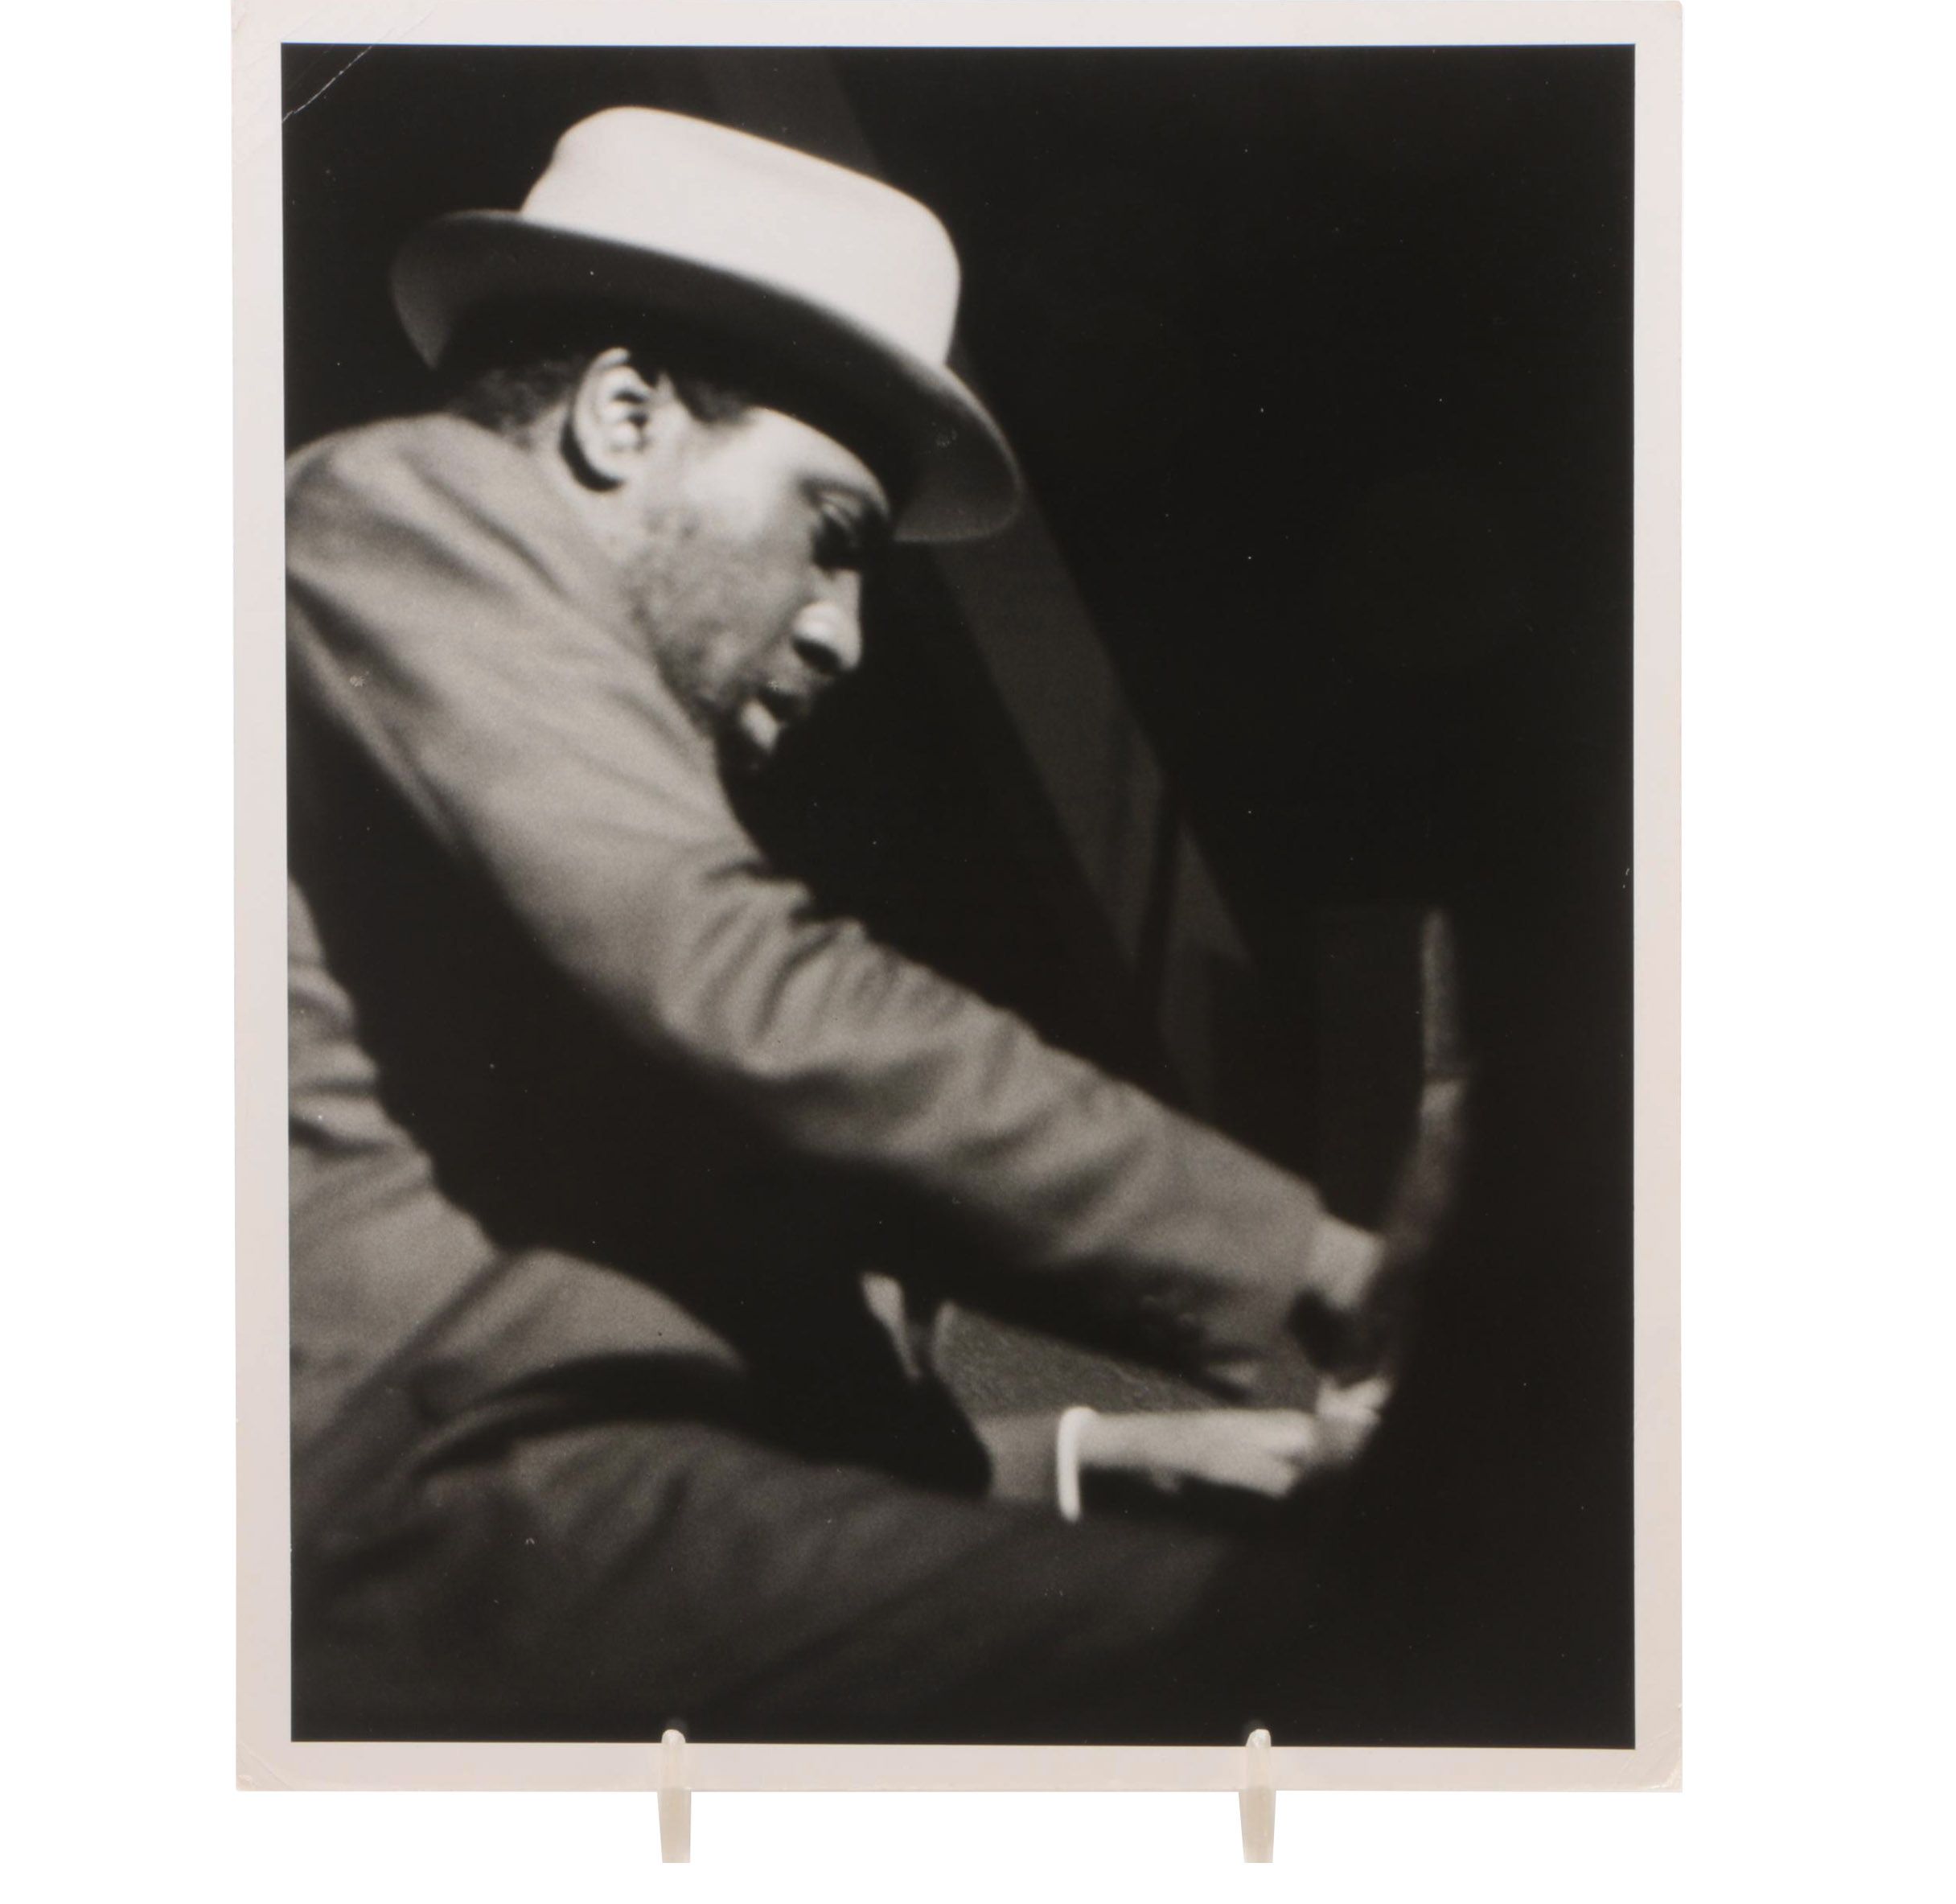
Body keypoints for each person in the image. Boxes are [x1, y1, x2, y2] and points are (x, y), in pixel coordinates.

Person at [286, 106, 1420, 1743]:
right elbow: (735, 984)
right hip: (397, 1518)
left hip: (521, 1501)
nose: (843, 633)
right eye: (831, 537)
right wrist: (1340, 1285)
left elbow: (700, 1355)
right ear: (622, 416)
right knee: (1359, 1672)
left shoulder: (519, 786)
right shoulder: (406, 503)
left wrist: (1107, 1458)